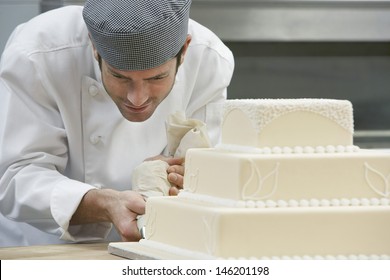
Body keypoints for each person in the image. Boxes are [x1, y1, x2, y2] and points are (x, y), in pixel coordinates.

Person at [0, 0, 234, 246]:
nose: (137, 98)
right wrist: (105, 204)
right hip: (42, 248)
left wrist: (187, 179)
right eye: (119, 76)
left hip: (152, 248)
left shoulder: (208, 60)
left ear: (184, 50)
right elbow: (14, 176)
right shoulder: (38, 53)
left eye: (157, 77)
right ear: (94, 47)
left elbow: (208, 171)